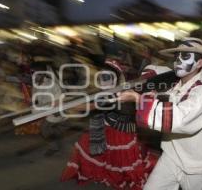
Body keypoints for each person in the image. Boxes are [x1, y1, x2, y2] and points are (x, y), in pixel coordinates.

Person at [117, 37, 202, 190]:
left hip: (196, 165)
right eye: (177, 56)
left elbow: (179, 119)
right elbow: (167, 94)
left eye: (185, 56)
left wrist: (139, 99)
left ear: (200, 63)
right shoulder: (178, 84)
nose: (178, 61)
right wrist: (149, 89)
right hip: (171, 156)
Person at [61, 59, 161, 190]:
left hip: (122, 134)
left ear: (116, 79)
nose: (103, 81)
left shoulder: (121, 94)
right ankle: (100, 171)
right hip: (108, 126)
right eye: (101, 76)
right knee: (93, 140)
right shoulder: (108, 91)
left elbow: (89, 106)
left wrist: (63, 104)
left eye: (107, 77)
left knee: (122, 165)